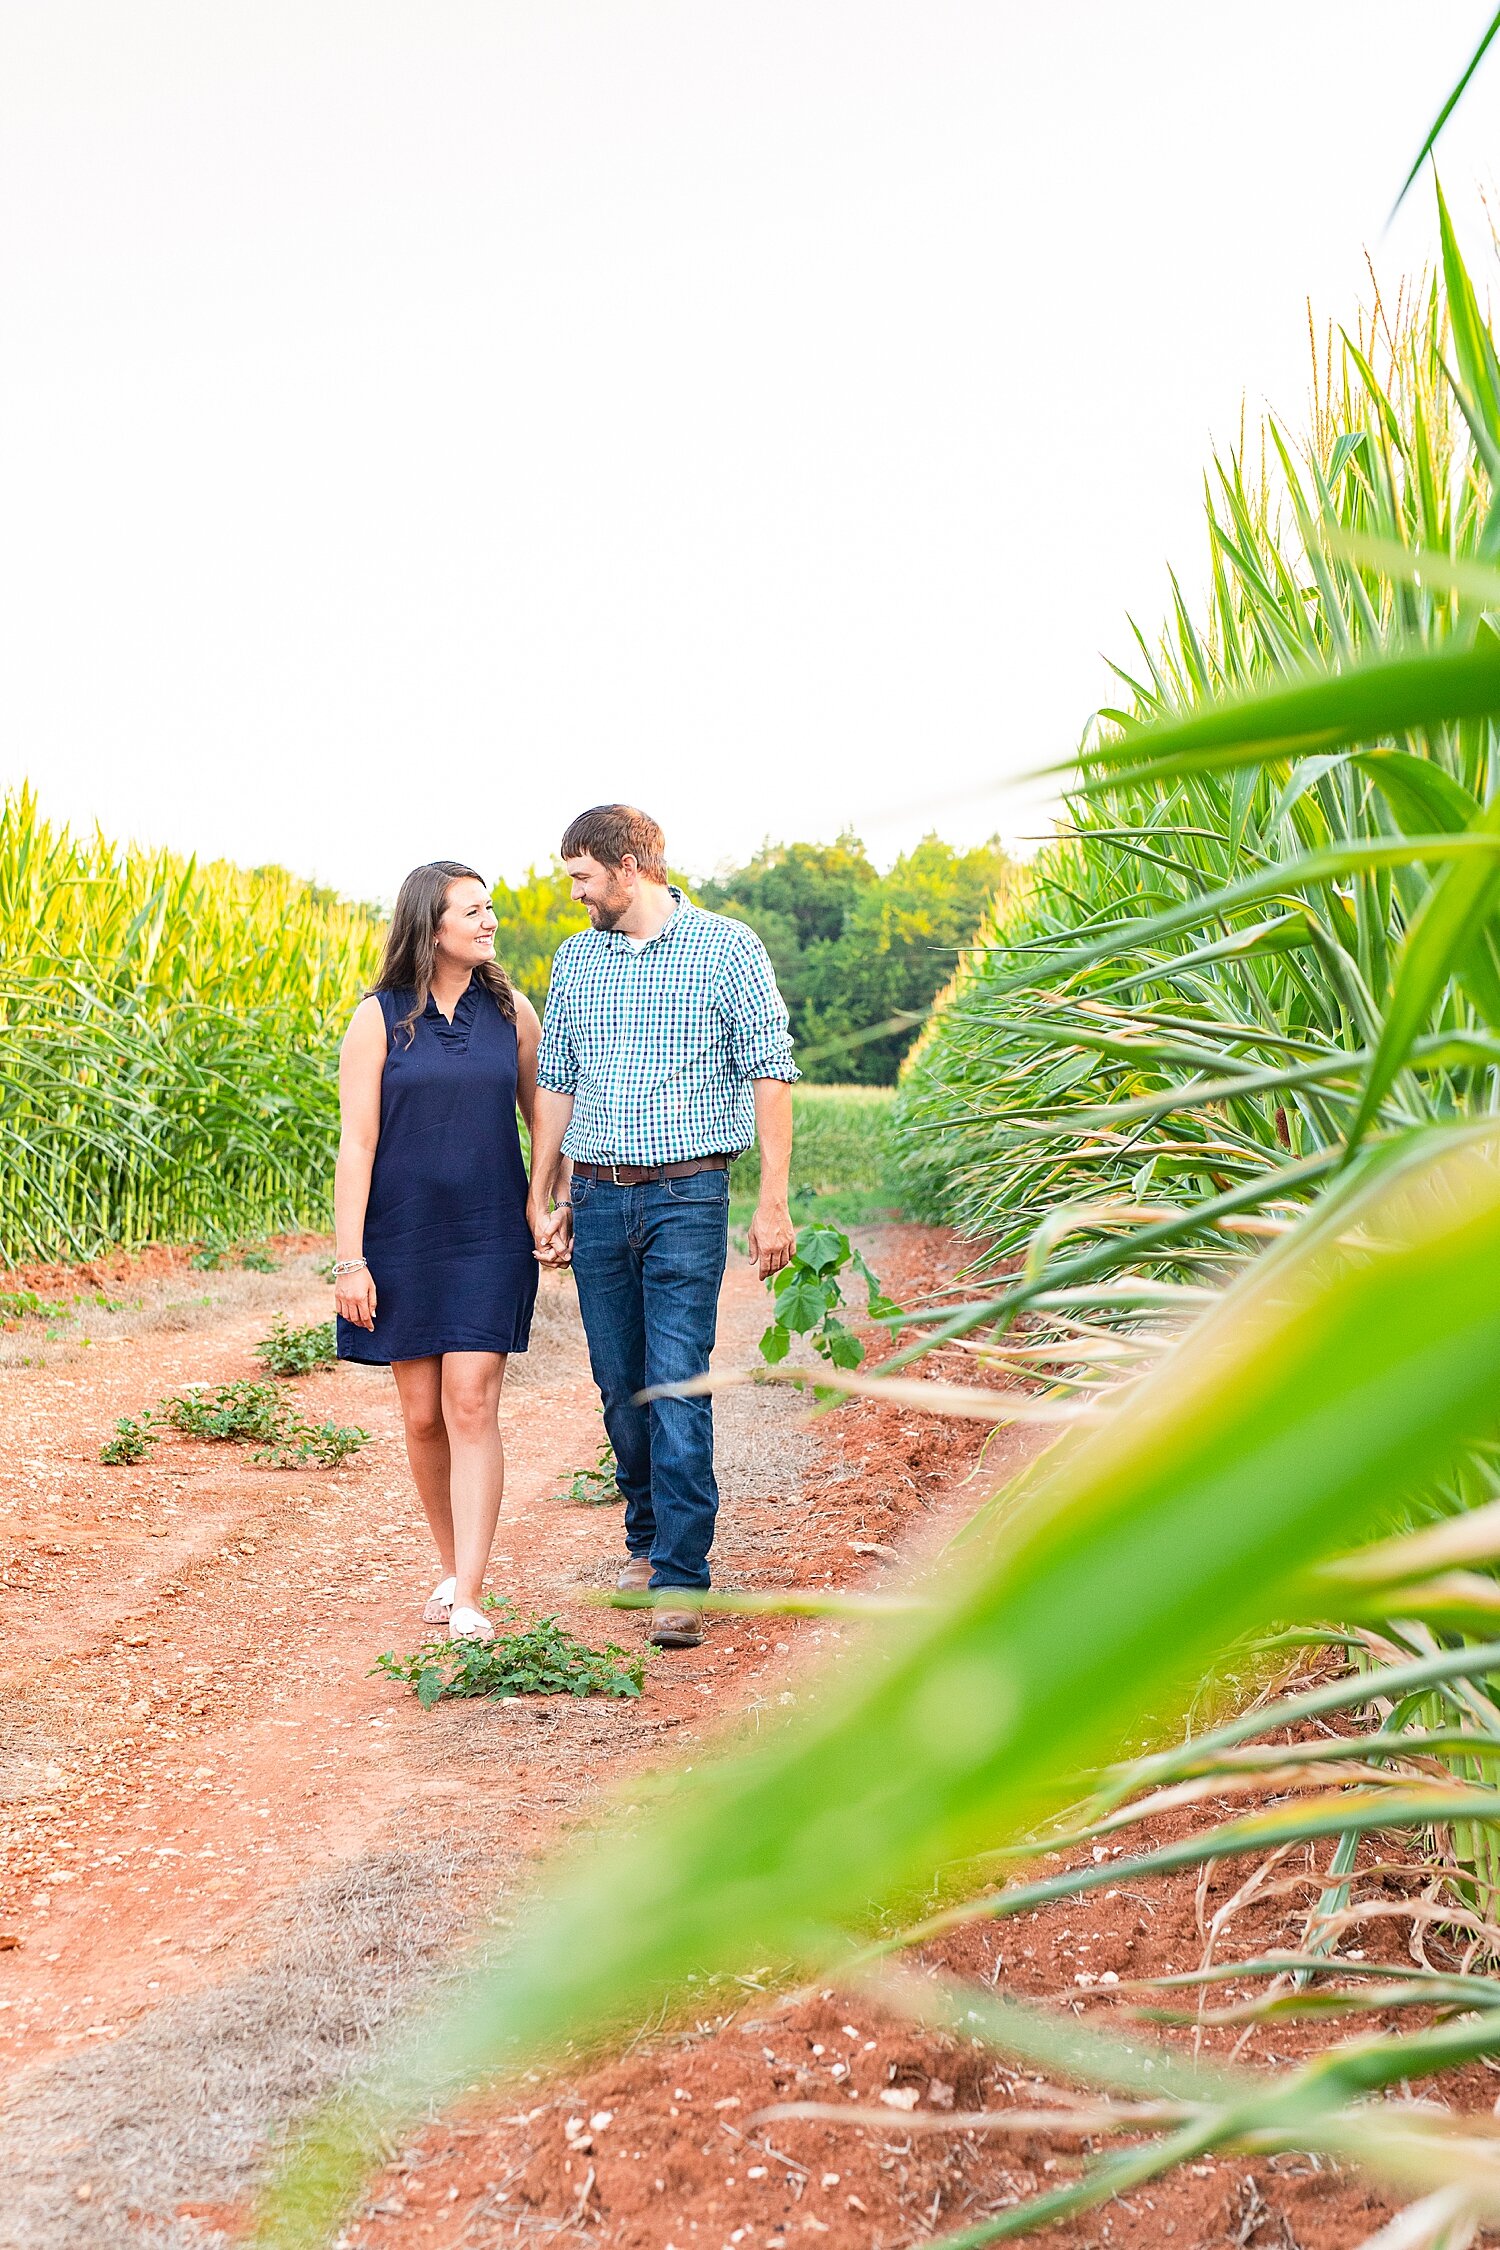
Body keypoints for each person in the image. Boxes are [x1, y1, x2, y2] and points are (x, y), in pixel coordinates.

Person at [528, 804, 798, 1650]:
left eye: (582, 878)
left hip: (689, 1197)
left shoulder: (728, 948)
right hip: (600, 1199)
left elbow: (771, 1070)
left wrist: (774, 1201)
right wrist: (546, 1194)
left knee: (676, 1378)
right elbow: (559, 1084)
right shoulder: (577, 961)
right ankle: (645, 1539)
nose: (575, 895)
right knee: (619, 1385)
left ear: (630, 867)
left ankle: (681, 1575)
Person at [332, 861, 540, 1642]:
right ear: (431, 925)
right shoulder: (377, 1018)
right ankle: (453, 1567)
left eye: (491, 910)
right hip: (402, 1236)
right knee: (422, 1416)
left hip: (490, 1234)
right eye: (474, 911)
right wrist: (350, 1258)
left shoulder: (513, 1013)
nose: (490, 923)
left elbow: (543, 1118)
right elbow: (357, 1143)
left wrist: (544, 1200)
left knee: (470, 1402)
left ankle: (473, 1597)